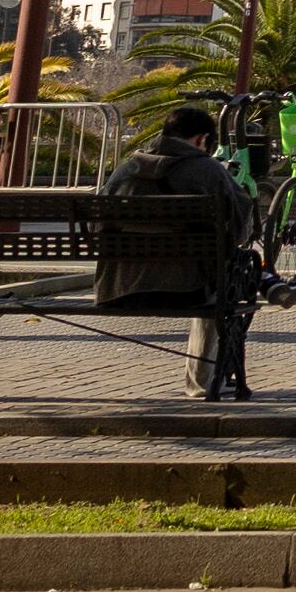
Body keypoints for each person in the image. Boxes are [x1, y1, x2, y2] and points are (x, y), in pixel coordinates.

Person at [101, 101, 255, 395]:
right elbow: (237, 232)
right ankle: (201, 383)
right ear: (201, 140)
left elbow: (99, 228)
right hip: (188, 291)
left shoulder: (125, 170)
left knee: (211, 275)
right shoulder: (209, 171)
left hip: (121, 288)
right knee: (221, 283)